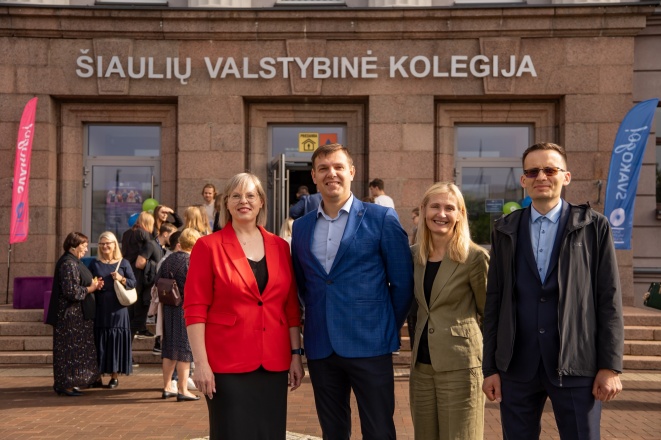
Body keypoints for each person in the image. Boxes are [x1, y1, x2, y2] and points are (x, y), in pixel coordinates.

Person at [482, 142, 624, 440]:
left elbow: (608, 300)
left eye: (549, 169)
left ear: (566, 177)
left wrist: (610, 366)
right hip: (517, 366)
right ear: (523, 180)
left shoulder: (593, 226)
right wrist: (490, 368)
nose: (541, 177)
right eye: (533, 171)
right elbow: (494, 301)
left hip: (576, 363)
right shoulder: (505, 229)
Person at [291, 143, 413, 440]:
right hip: (322, 344)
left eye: (338, 167)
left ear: (352, 172)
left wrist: (386, 326)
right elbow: (304, 284)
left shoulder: (381, 218)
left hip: (371, 343)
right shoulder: (302, 227)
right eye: (323, 168)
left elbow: (402, 283)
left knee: (379, 430)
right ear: (314, 176)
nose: (331, 173)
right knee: (333, 431)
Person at [185, 173, 304, 439]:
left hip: (274, 362)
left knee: (270, 434)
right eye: (236, 196)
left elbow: (290, 308)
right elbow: (195, 309)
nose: (243, 201)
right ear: (226, 203)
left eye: (250, 195)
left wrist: (296, 354)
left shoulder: (280, 246)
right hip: (226, 364)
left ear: (261, 202)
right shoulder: (208, 246)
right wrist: (200, 364)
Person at [409, 182, 489, 440]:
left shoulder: (474, 257)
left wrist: (492, 366)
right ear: (423, 210)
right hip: (421, 368)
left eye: (449, 208)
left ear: (460, 214)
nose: (441, 214)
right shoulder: (413, 256)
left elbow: (489, 313)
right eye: (435, 206)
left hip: (461, 366)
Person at [46, 232, 104, 396]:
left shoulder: (74, 261)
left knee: (76, 351)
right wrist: (91, 288)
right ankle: (66, 385)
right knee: (69, 352)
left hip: (78, 315)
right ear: (73, 247)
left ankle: (73, 382)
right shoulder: (68, 264)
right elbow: (71, 291)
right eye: (83, 246)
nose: (86, 249)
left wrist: (93, 284)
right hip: (70, 317)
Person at [158, 228, 201, 401]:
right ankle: (183, 389)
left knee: (169, 348)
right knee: (184, 348)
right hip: (185, 308)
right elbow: (196, 286)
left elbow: (157, 281)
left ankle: (167, 387)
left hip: (169, 307)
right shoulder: (191, 261)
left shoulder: (168, 259)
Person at [90, 231, 137, 389]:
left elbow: (133, 283)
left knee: (115, 341)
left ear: (114, 245)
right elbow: (89, 282)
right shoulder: (95, 263)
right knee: (100, 340)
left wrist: (121, 278)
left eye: (108, 243)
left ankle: (114, 376)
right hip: (101, 306)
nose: (105, 246)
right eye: (102, 243)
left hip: (118, 309)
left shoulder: (123, 263)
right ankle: (97, 376)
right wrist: (95, 285)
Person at [121, 211, 153, 338]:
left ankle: (132, 326)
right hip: (138, 269)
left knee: (132, 300)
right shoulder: (143, 234)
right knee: (139, 300)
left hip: (128, 267)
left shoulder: (126, 233)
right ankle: (139, 327)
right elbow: (150, 246)